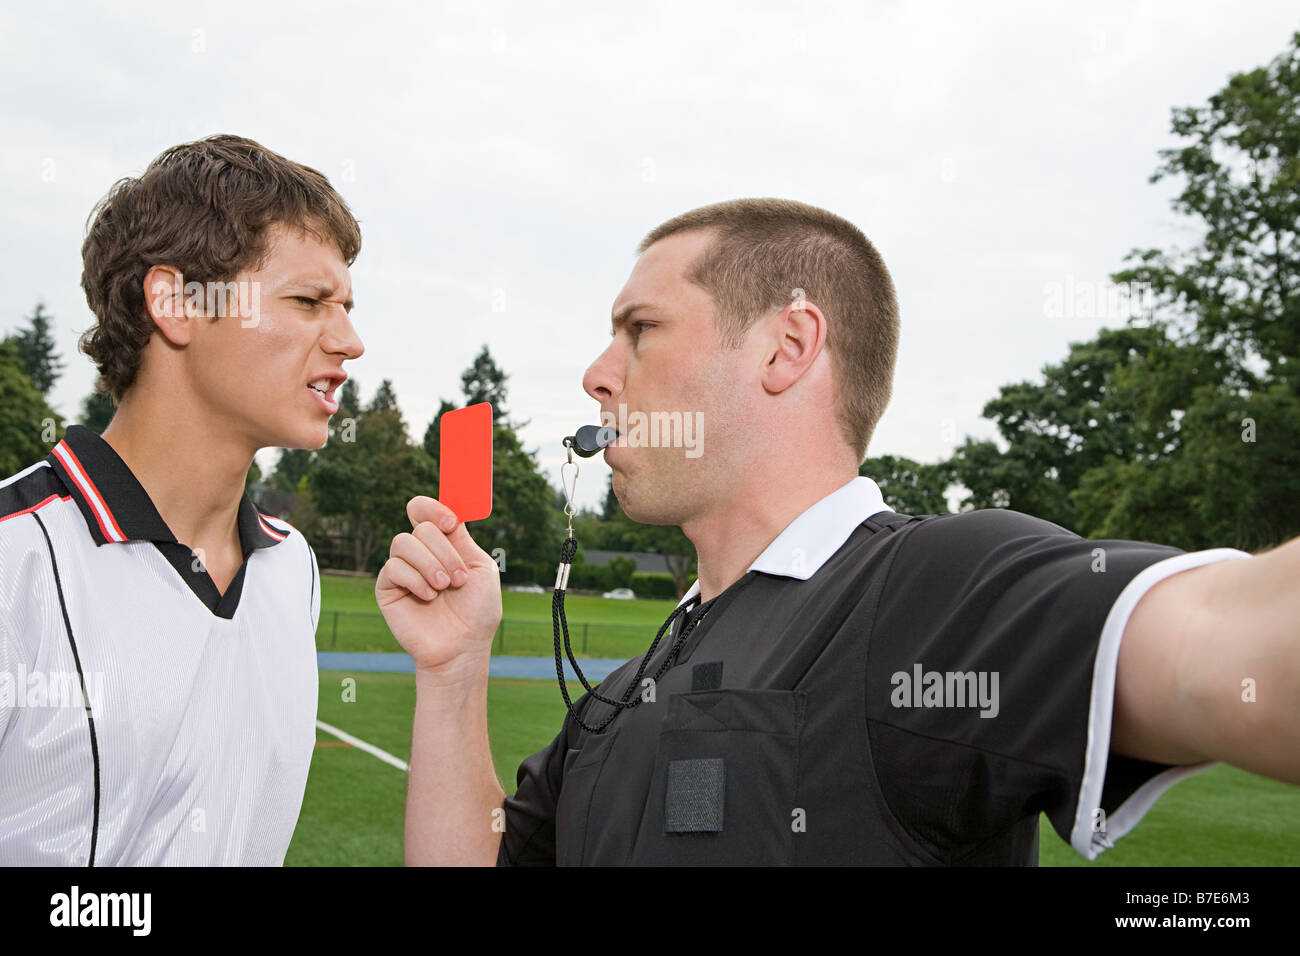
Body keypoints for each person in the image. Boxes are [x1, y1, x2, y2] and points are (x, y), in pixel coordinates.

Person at [377, 198, 1299, 866]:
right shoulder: (623, 692)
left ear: (787, 347)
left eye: (640, 329)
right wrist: (453, 673)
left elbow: (1231, 639)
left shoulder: (934, 590)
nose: (596, 374)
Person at [0, 135, 364, 865]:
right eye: (308, 302)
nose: (351, 342)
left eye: (347, 306)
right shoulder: (16, 558)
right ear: (175, 302)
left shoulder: (293, 571)